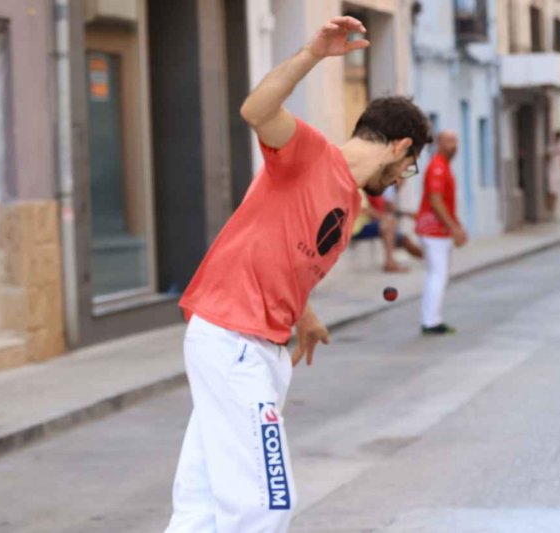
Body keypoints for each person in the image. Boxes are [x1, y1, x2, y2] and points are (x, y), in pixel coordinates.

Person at [165, 17, 432, 533]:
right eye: (409, 165)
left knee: (202, 507)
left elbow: (283, 252)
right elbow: (255, 110)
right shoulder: (308, 155)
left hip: (252, 345)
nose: (403, 178)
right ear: (401, 147)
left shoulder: (346, 201)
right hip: (234, 341)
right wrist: (312, 53)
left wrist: (303, 313)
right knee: (267, 503)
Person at [416, 131, 467, 335]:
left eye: (455, 141)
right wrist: (454, 228)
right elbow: (436, 201)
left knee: (437, 275)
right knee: (438, 275)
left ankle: (432, 319)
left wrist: (456, 226)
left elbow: (445, 202)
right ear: (439, 144)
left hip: (440, 230)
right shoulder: (437, 167)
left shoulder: (444, 166)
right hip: (433, 230)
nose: (452, 146)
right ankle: (431, 321)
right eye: (448, 142)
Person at [351, 191, 423, 272]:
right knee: (390, 226)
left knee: (404, 238)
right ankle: (390, 263)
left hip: (367, 224)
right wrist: (384, 218)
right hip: (357, 228)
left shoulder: (378, 193)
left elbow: (390, 208)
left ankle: (427, 256)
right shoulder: (361, 189)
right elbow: (366, 209)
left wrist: (406, 214)